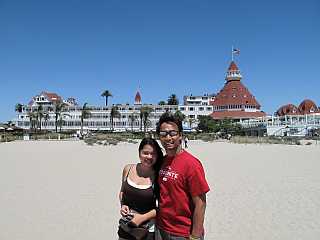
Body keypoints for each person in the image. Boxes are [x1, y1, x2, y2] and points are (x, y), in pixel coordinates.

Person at [155, 112, 210, 240]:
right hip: (161, 229)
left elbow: (200, 203)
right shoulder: (162, 162)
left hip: (183, 233)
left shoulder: (192, 164)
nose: (168, 138)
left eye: (173, 133)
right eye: (163, 134)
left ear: (180, 135)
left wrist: (195, 236)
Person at [118, 137, 163, 240]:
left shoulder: (158, 176)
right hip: (127, 225)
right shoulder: (128, 169)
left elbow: (162, 206)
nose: (149, 156)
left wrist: (142, 218)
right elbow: (122, 192)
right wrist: (123, 205)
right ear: (139, 153)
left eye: (153, 154)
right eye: (145, 153)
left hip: (147, 230)